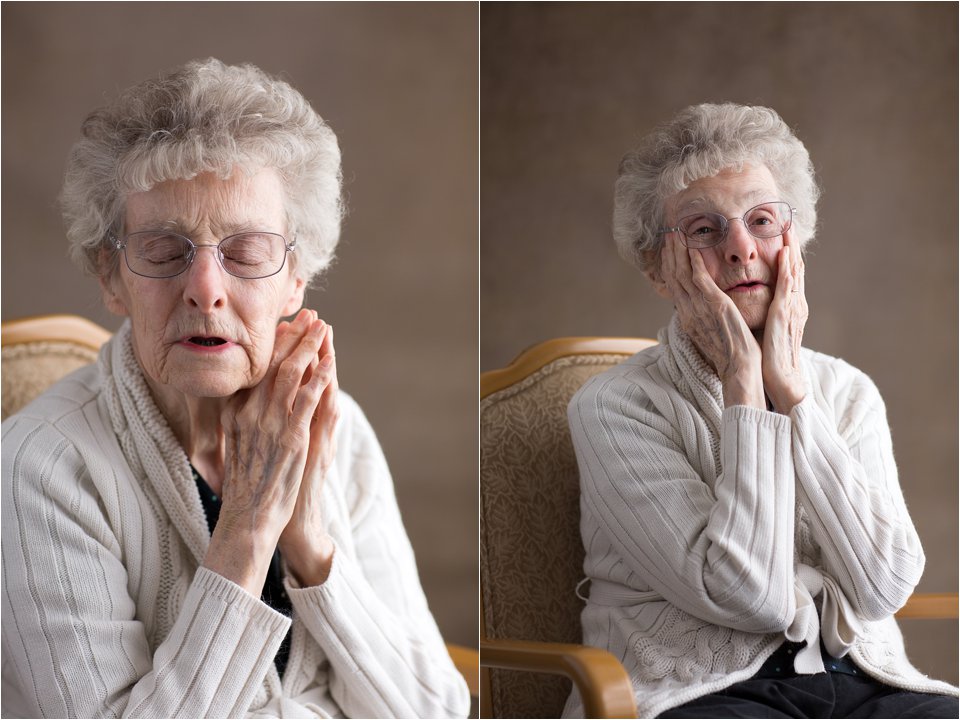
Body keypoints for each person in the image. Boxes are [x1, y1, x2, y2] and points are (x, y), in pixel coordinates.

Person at [1, 58, 469, 719]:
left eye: (245, 253)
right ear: (111, 277)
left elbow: (435, 709)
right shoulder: (39, 465)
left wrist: (306, 538)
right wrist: (248, 528)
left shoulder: (337, 429)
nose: (206, 289)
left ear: (295, 278)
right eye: (165, 252)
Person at [564, 103, 958, 719]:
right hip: (703, 694)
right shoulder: (614, 407)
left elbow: (884, 584)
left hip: (864, 682)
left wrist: (796, 396)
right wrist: (744, 383)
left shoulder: (848, 391)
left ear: (793, 241)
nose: (742, 250)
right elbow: (751, 596)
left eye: (762, 221)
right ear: (657, 269)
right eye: (704, 230)